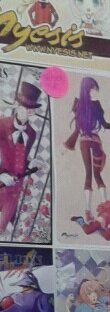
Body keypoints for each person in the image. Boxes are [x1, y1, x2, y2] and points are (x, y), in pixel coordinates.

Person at [63, 76, 110, 223]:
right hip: (92, 140)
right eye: (93, 88)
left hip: (87, 141)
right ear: (87, 89)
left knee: (91, 175)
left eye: (95, 88)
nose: (95, 91)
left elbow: (84, 127)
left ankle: (96, 209)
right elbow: (99, 125)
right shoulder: (88, 104)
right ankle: (98, 209)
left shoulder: (83, 103)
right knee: (94, 175)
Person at [0, 80, 41, 234]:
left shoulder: (32, 133)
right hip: (1, 181)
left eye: (30, 110)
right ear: (17, 106)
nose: (26, 112)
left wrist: (32, 163)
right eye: (23, 107)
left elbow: (21, 158)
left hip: (15, 188)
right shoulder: (1, 125)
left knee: (2, 228)